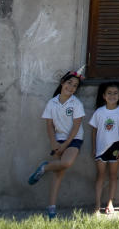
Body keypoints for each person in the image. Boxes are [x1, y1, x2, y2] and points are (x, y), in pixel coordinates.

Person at [28, 69, 86, 219]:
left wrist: (66, 144)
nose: (71, 87)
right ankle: (51, 208)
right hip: (58, 140)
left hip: (74, 139)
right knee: (58, 173)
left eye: (75, 85)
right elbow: (49, 125)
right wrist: (54, 143)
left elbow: (76, 126)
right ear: (62, 83)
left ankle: (44, 167)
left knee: (66, 163)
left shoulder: (76, 103)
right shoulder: (52, 103)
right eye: (69, 83)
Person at [88, 81, 119, 215]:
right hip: (100, 149)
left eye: (115, 93)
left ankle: (110, 203)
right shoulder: (99, 112)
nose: (112, 96)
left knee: (113, 175)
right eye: (109, 93)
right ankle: (97, 204)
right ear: (104, 96)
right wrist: (94, 147)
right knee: (100, 175)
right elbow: (93, 131)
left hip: (116, 149)